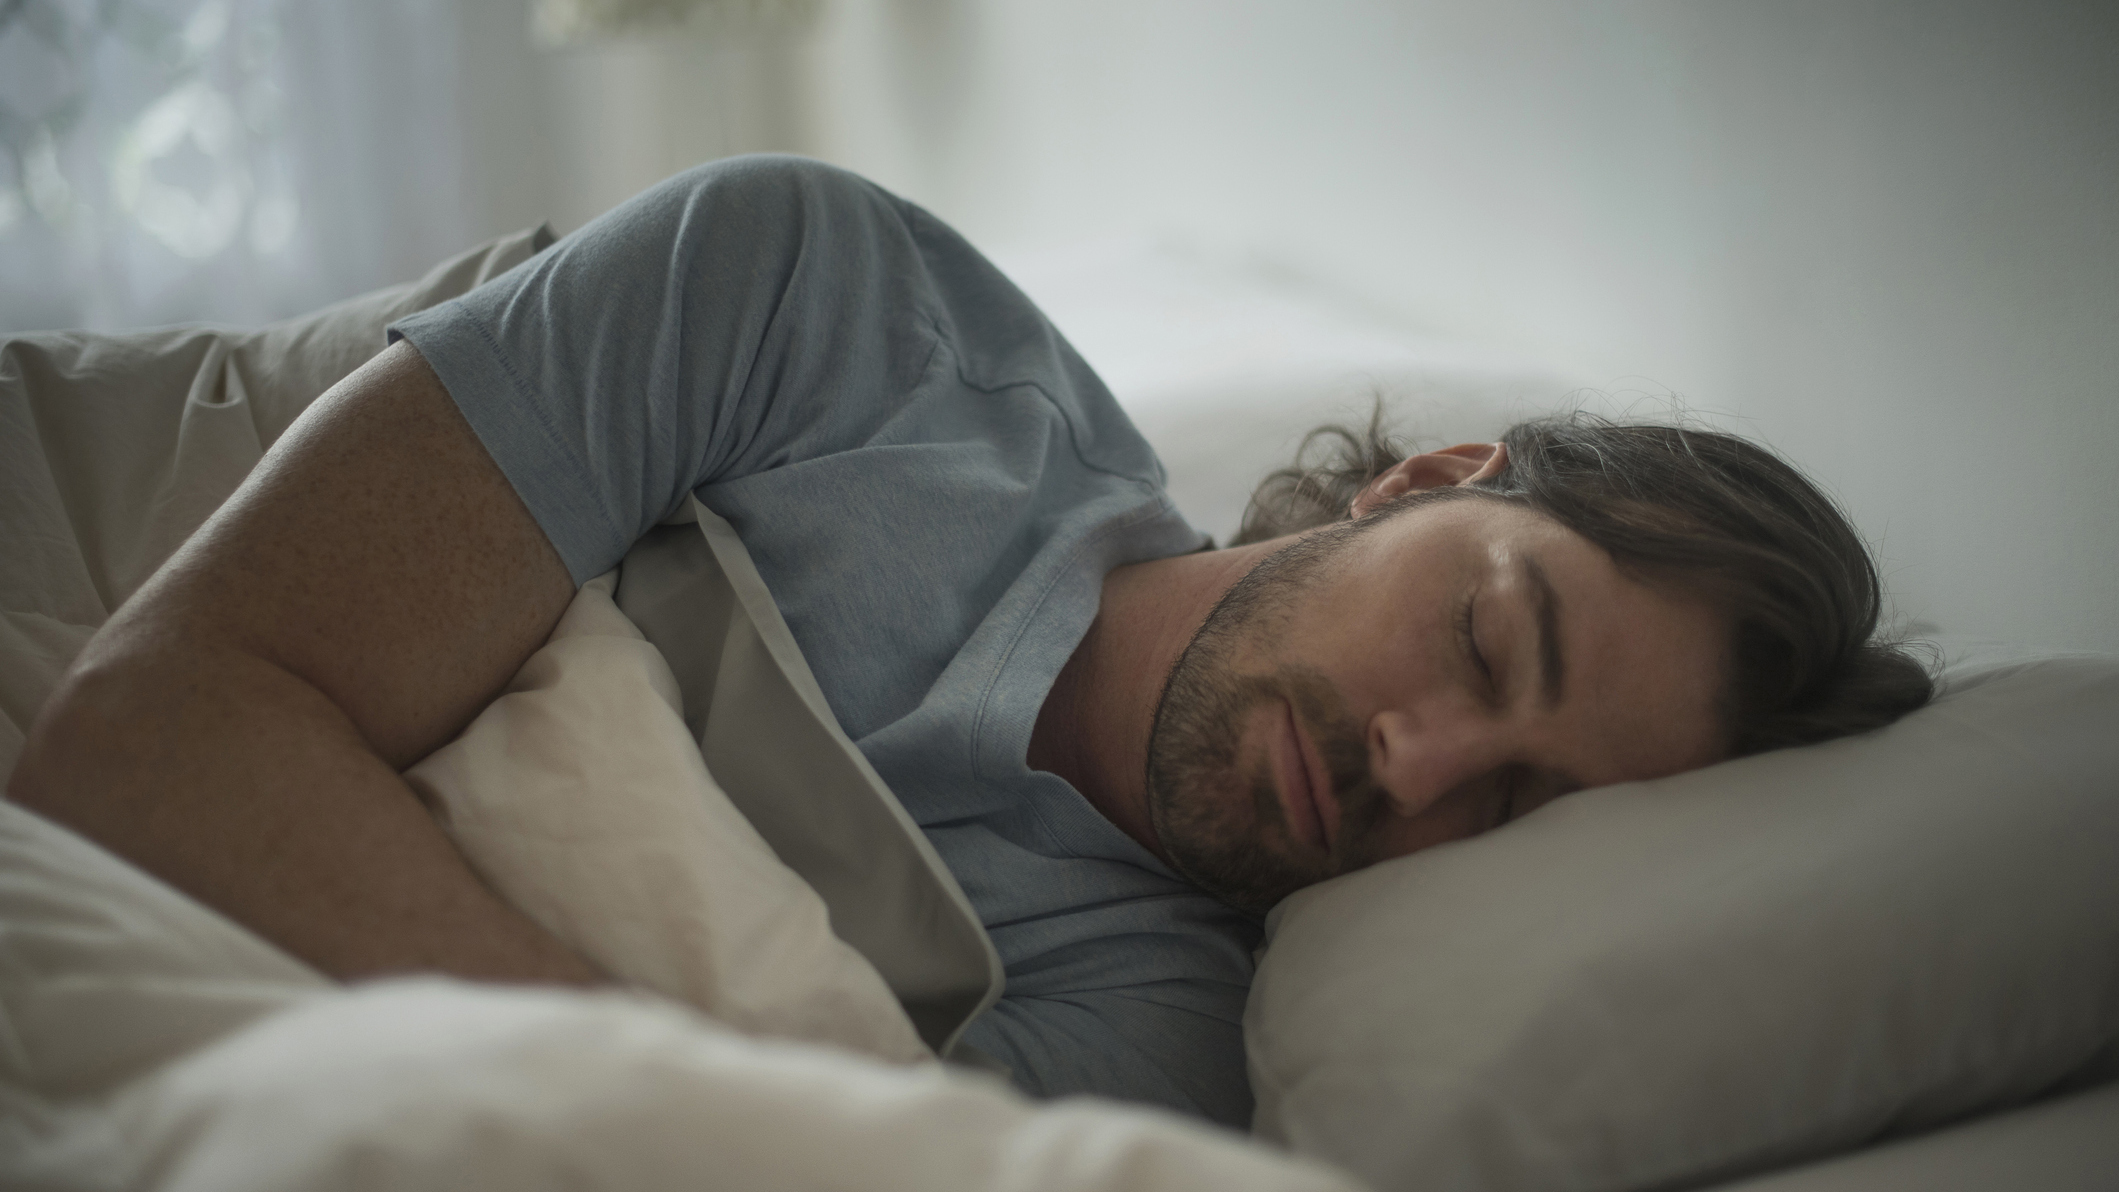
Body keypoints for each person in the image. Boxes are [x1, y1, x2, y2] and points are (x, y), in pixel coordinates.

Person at [5, 156, 1931, 1129]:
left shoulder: (1152, 1041)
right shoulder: (844, 315)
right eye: (1488, 646)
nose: (1419, 769)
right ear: (1420, 478)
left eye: (1513, 813)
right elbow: (150, 733)